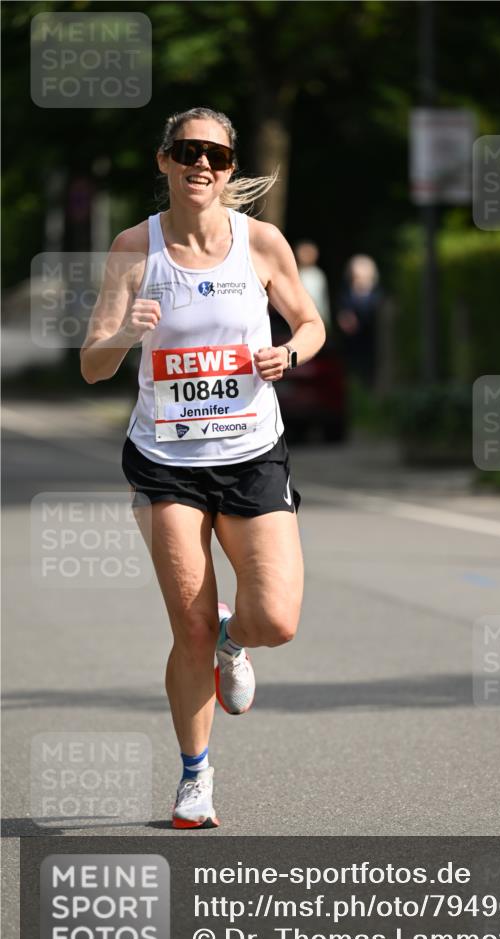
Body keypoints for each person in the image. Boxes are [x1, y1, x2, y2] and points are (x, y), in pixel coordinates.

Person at [80, 107, 325, 828]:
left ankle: (233, 637)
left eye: (216, 156)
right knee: (186, 629)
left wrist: (290, 353)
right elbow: (93, 364)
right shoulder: (135, 248)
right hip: (167, 462)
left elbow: (309, 323)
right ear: (164, 160)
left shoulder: (261, 242)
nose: (201, 165)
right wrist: (126, 334)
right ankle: (195, 778)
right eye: (188, 151)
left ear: (229, 168)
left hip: (251, 455)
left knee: (276, 619)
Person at [336, 254, 382, 389]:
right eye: (356, 277)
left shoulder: (379, 297)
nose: (360, 281)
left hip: (374, 347)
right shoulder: (345, 296)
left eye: (364, 277)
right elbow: (342, 316)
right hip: (351, 346)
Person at [294, 240, 331, 330]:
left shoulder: (318, 275)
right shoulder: (295, 273)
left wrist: (325, 319)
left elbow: (322, 300)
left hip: (317, 316)